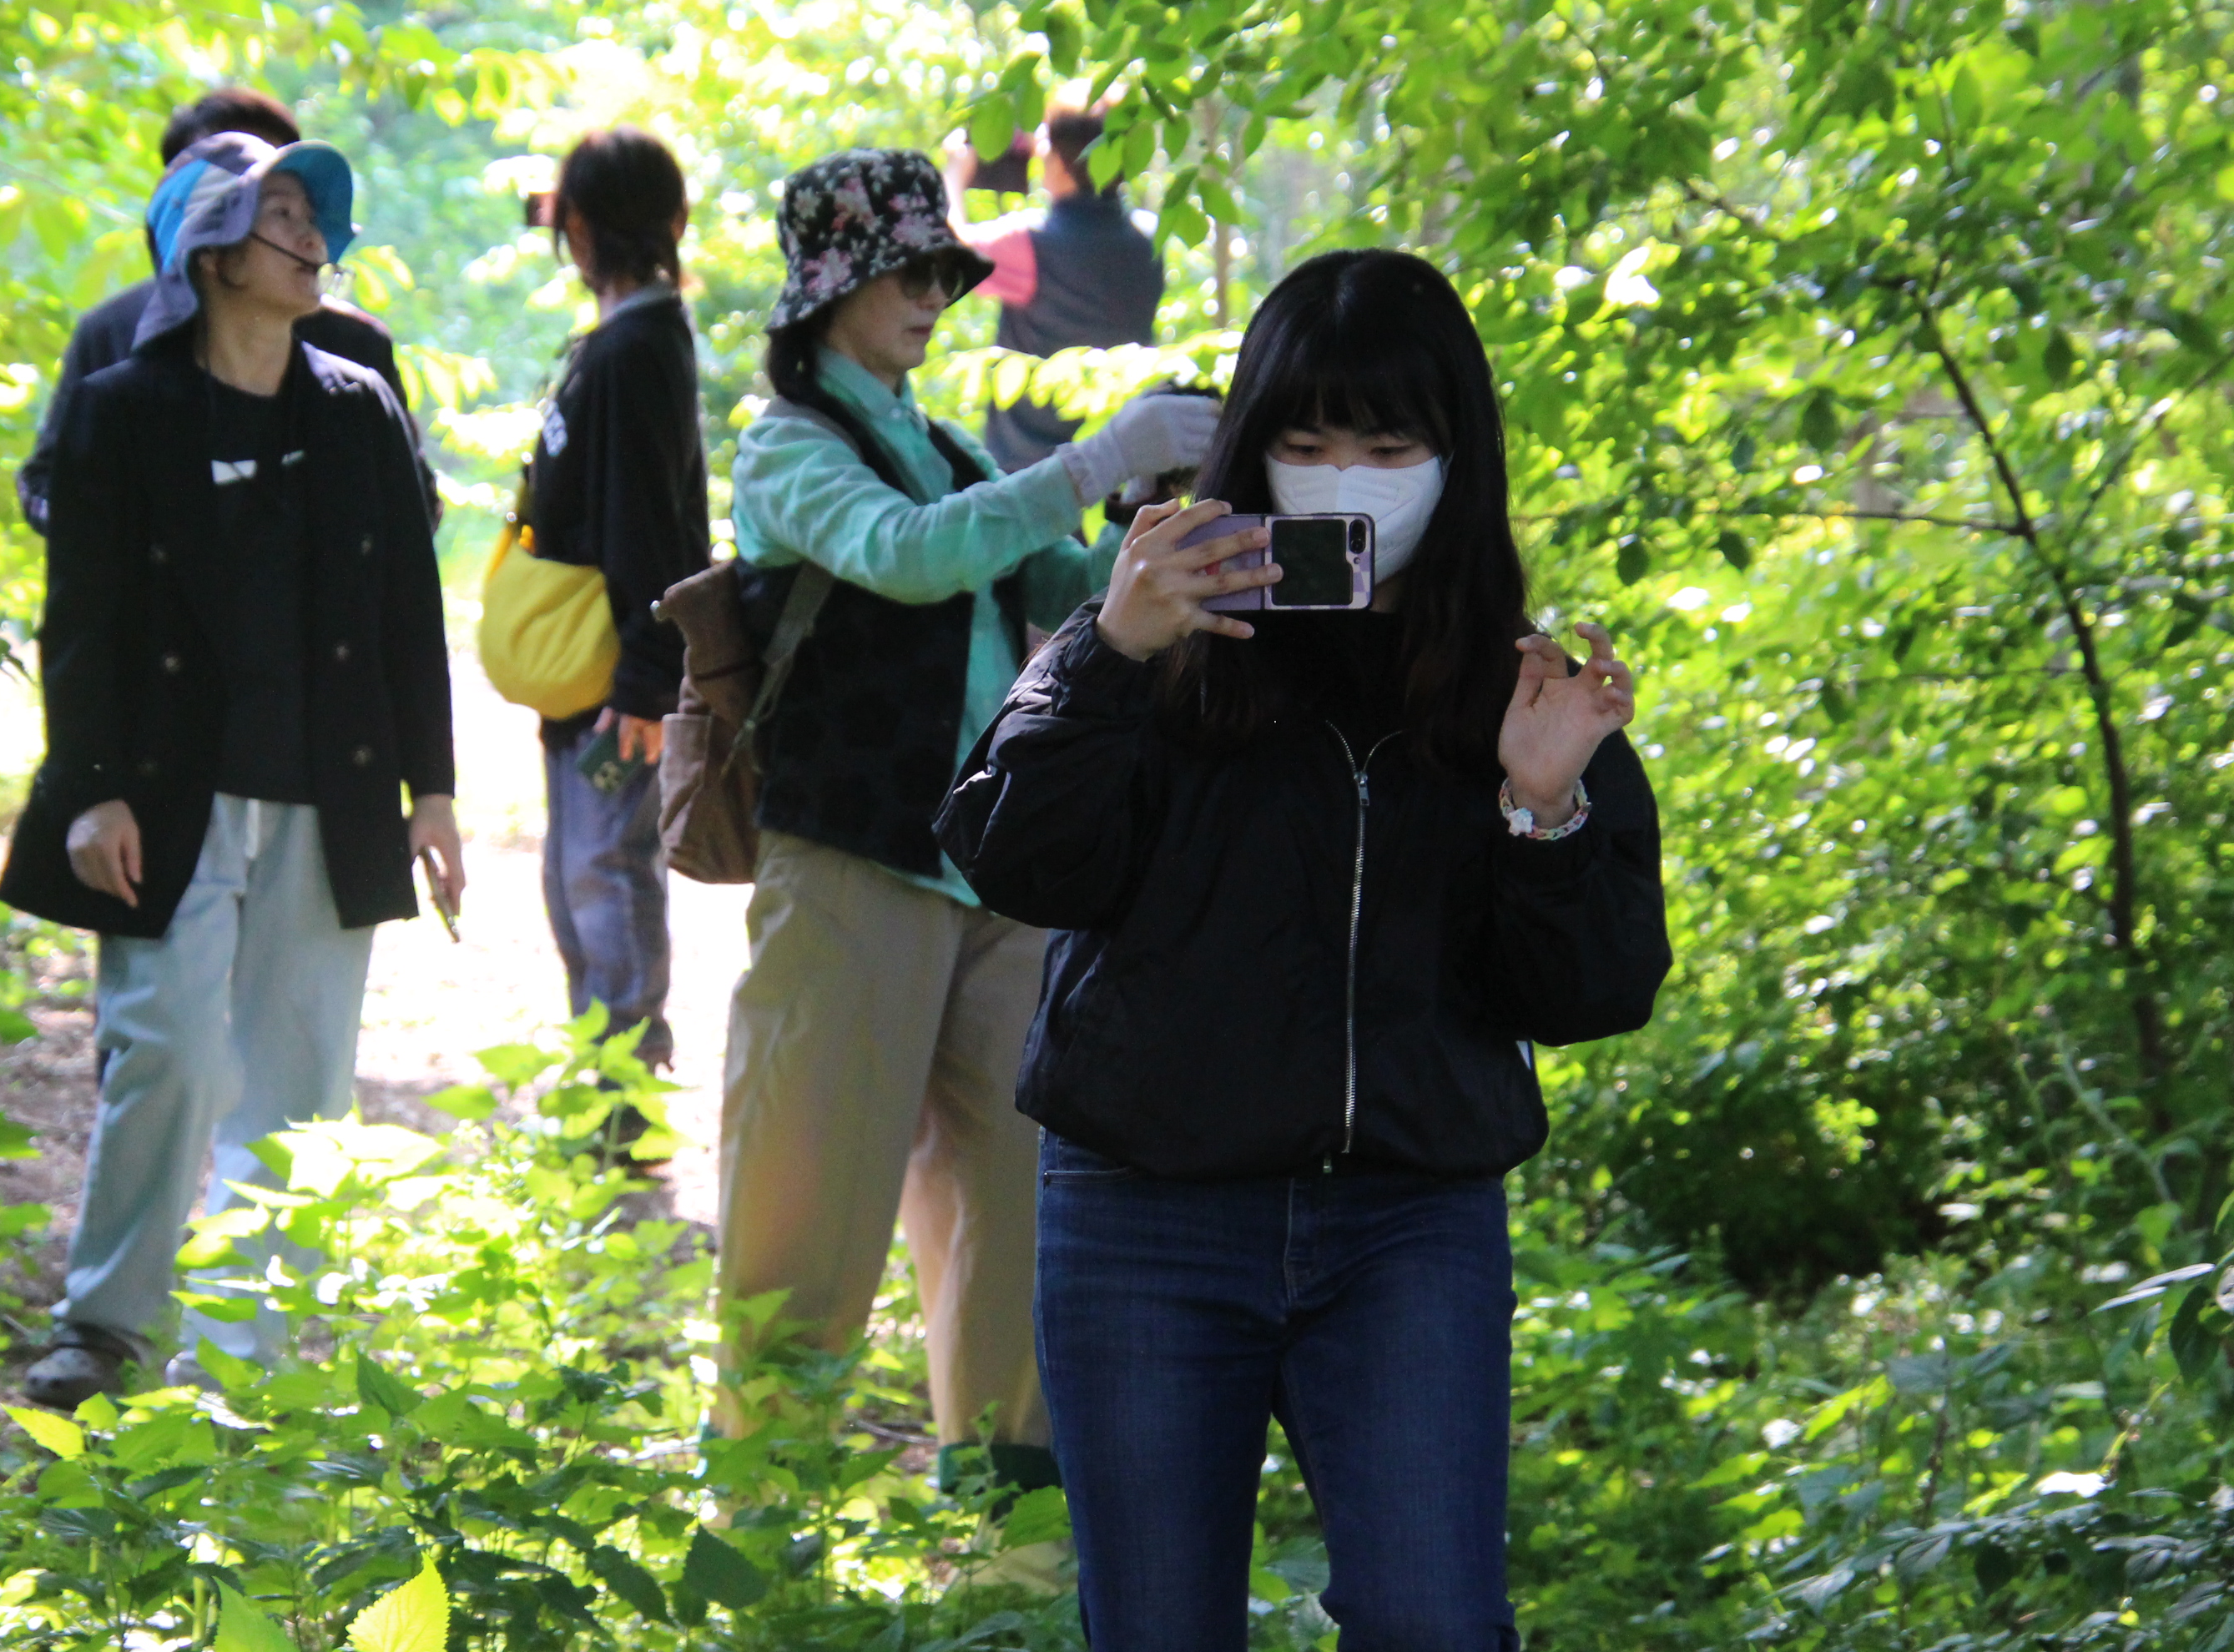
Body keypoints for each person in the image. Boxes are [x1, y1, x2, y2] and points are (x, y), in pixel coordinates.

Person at [935, 249, 1674, 1651]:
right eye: (1309, 441)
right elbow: (1014, 860)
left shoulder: (1516, 688)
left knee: (1435, 1622)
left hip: (1407, 1220)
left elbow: (1594, 989)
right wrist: (1107, 653)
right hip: (1144, 1209)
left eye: (1389, 448)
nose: (1347, 480)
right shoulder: (1155, 638)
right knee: (1157, 1628)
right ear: (1249, 446)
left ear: (1456, 458)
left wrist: (1545, 807)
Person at [716, 148, 1218, 1501]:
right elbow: (910, 552)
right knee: (805, 1218)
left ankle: (1010, 1536)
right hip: (848, 867)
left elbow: (1061, 582)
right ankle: (759, 1531)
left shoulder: (941, 444)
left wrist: (1165, 518)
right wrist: (1095, 457)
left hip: (986, 876)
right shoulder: (787, 445)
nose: (937, 295)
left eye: (946, 271)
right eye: (910, 271)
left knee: (1017, 1203)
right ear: (832, 288)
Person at [0, 132, 466, 1408]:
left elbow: (407, 609)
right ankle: (106, 1327)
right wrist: (90, 786)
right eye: (284, 218)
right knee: (167, 1052)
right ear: (212, 256)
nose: (315, 240)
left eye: (317, 217)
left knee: (299, 1082)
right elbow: (80, 618)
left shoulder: (360, 405)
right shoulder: (122, 409)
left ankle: (243, 1369)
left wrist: (434, 791)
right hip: (165, 794)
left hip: (333, 788)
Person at [16, 87, 430, 534]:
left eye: (277, 181)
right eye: (227, 174)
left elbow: (413, 508)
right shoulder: (112, 336)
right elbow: (50, 487)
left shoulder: (354, 350)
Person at [517, 128, 710, 1074]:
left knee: (604, 875)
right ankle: (604, 1091)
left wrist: (644, 682)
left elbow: (645, 525)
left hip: (617, 676)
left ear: (580, 226)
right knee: (579, 881)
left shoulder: (636, 347)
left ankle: (621, 1101)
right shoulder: (626, 341)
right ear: (676, 220)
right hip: (593, 669)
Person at [942, 99, 1166, 473]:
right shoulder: (1150, 239)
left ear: (1061, 165)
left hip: (1032, 471)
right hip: (1119, 458)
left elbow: (946, 252)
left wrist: (955, 173)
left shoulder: (1030, 244)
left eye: (1045, 151)